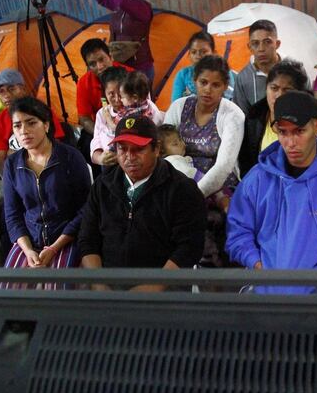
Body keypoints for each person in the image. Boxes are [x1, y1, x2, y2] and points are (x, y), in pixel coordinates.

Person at [226, 91, 317, 293]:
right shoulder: (257, 178)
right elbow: (238, 232)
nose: (290, 142)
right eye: (283, 132)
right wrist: (256, 263)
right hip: (264, 285)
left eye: (299, 131)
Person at [78, 115, 206, 278]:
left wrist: (154, 287)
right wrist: (98, 283)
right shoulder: (102, 186)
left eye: (138, 149)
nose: (130, 157)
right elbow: (88, 239)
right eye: (122, 149)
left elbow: (188, 248)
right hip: (108, 287)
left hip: (165, 293)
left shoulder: (183, 189)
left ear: (157, 149)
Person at [2, 97, 91, 270]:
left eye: (31, 123)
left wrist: (54, 247)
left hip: (67, 238)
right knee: (10, 291)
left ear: (46, 125)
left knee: (54, 289)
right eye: (17, 125)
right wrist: (27, 250)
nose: (24, 131)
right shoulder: (12, 164)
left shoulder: (70, 157)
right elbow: (12, 215)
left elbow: (85, 209)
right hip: (28, 241)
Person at [240, 59, 317, 176]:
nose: (279, 96)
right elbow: (246, 163)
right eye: (274, 88)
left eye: (287, 90)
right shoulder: (255, 114)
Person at [164, 55, 245, 198]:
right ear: (194, 81)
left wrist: (195, 196)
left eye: (215, 85)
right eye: (203, 82)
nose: (208, 90)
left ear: (225, 87)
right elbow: (163, 149)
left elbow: (223, 166)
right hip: (180, 181)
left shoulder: (233, 115)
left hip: (220, 186)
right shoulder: (179, 107)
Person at [0, 68, 67, 172]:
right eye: (1, 92)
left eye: (11, 89)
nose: (6, 95)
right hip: (19, 172)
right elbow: (2, 160)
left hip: (49, 165)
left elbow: (56, 145)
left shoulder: (43, 111)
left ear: (23, 89)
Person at [95, 0, 155, 83]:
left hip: (140, 69)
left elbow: (122, 1)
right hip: (120, 66)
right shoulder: (121, 3)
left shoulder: (142, 6)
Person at [76, 38, 133, 136]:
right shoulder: (83, 83)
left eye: (102, 59)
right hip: (101, 129)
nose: (99, 67)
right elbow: (84, 119)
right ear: (88, 67)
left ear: (111, 56)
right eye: (92, 64)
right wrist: (103, 135)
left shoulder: (131, 76)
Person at [233, 20, 282, 115]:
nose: (261, 49)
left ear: (277, 44)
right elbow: (240, 116)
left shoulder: (294, 71)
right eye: (255, 43)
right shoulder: (243, 78)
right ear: (249, 47)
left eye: (267, 42)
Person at [171, 31, 237, 101]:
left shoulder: (224, 71)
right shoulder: (183, 74)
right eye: (194, 52)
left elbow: (230, 99)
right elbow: (176, 103)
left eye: (204, 52)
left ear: (213, 53)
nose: (198, 56)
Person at [90, 66, 130, 167]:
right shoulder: (101, 113)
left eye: (121, 94)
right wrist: (100, 158)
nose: (117, 99)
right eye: (111, 94)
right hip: (108, 165)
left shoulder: (135, 110)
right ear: (104, 95)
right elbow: (96, 141)